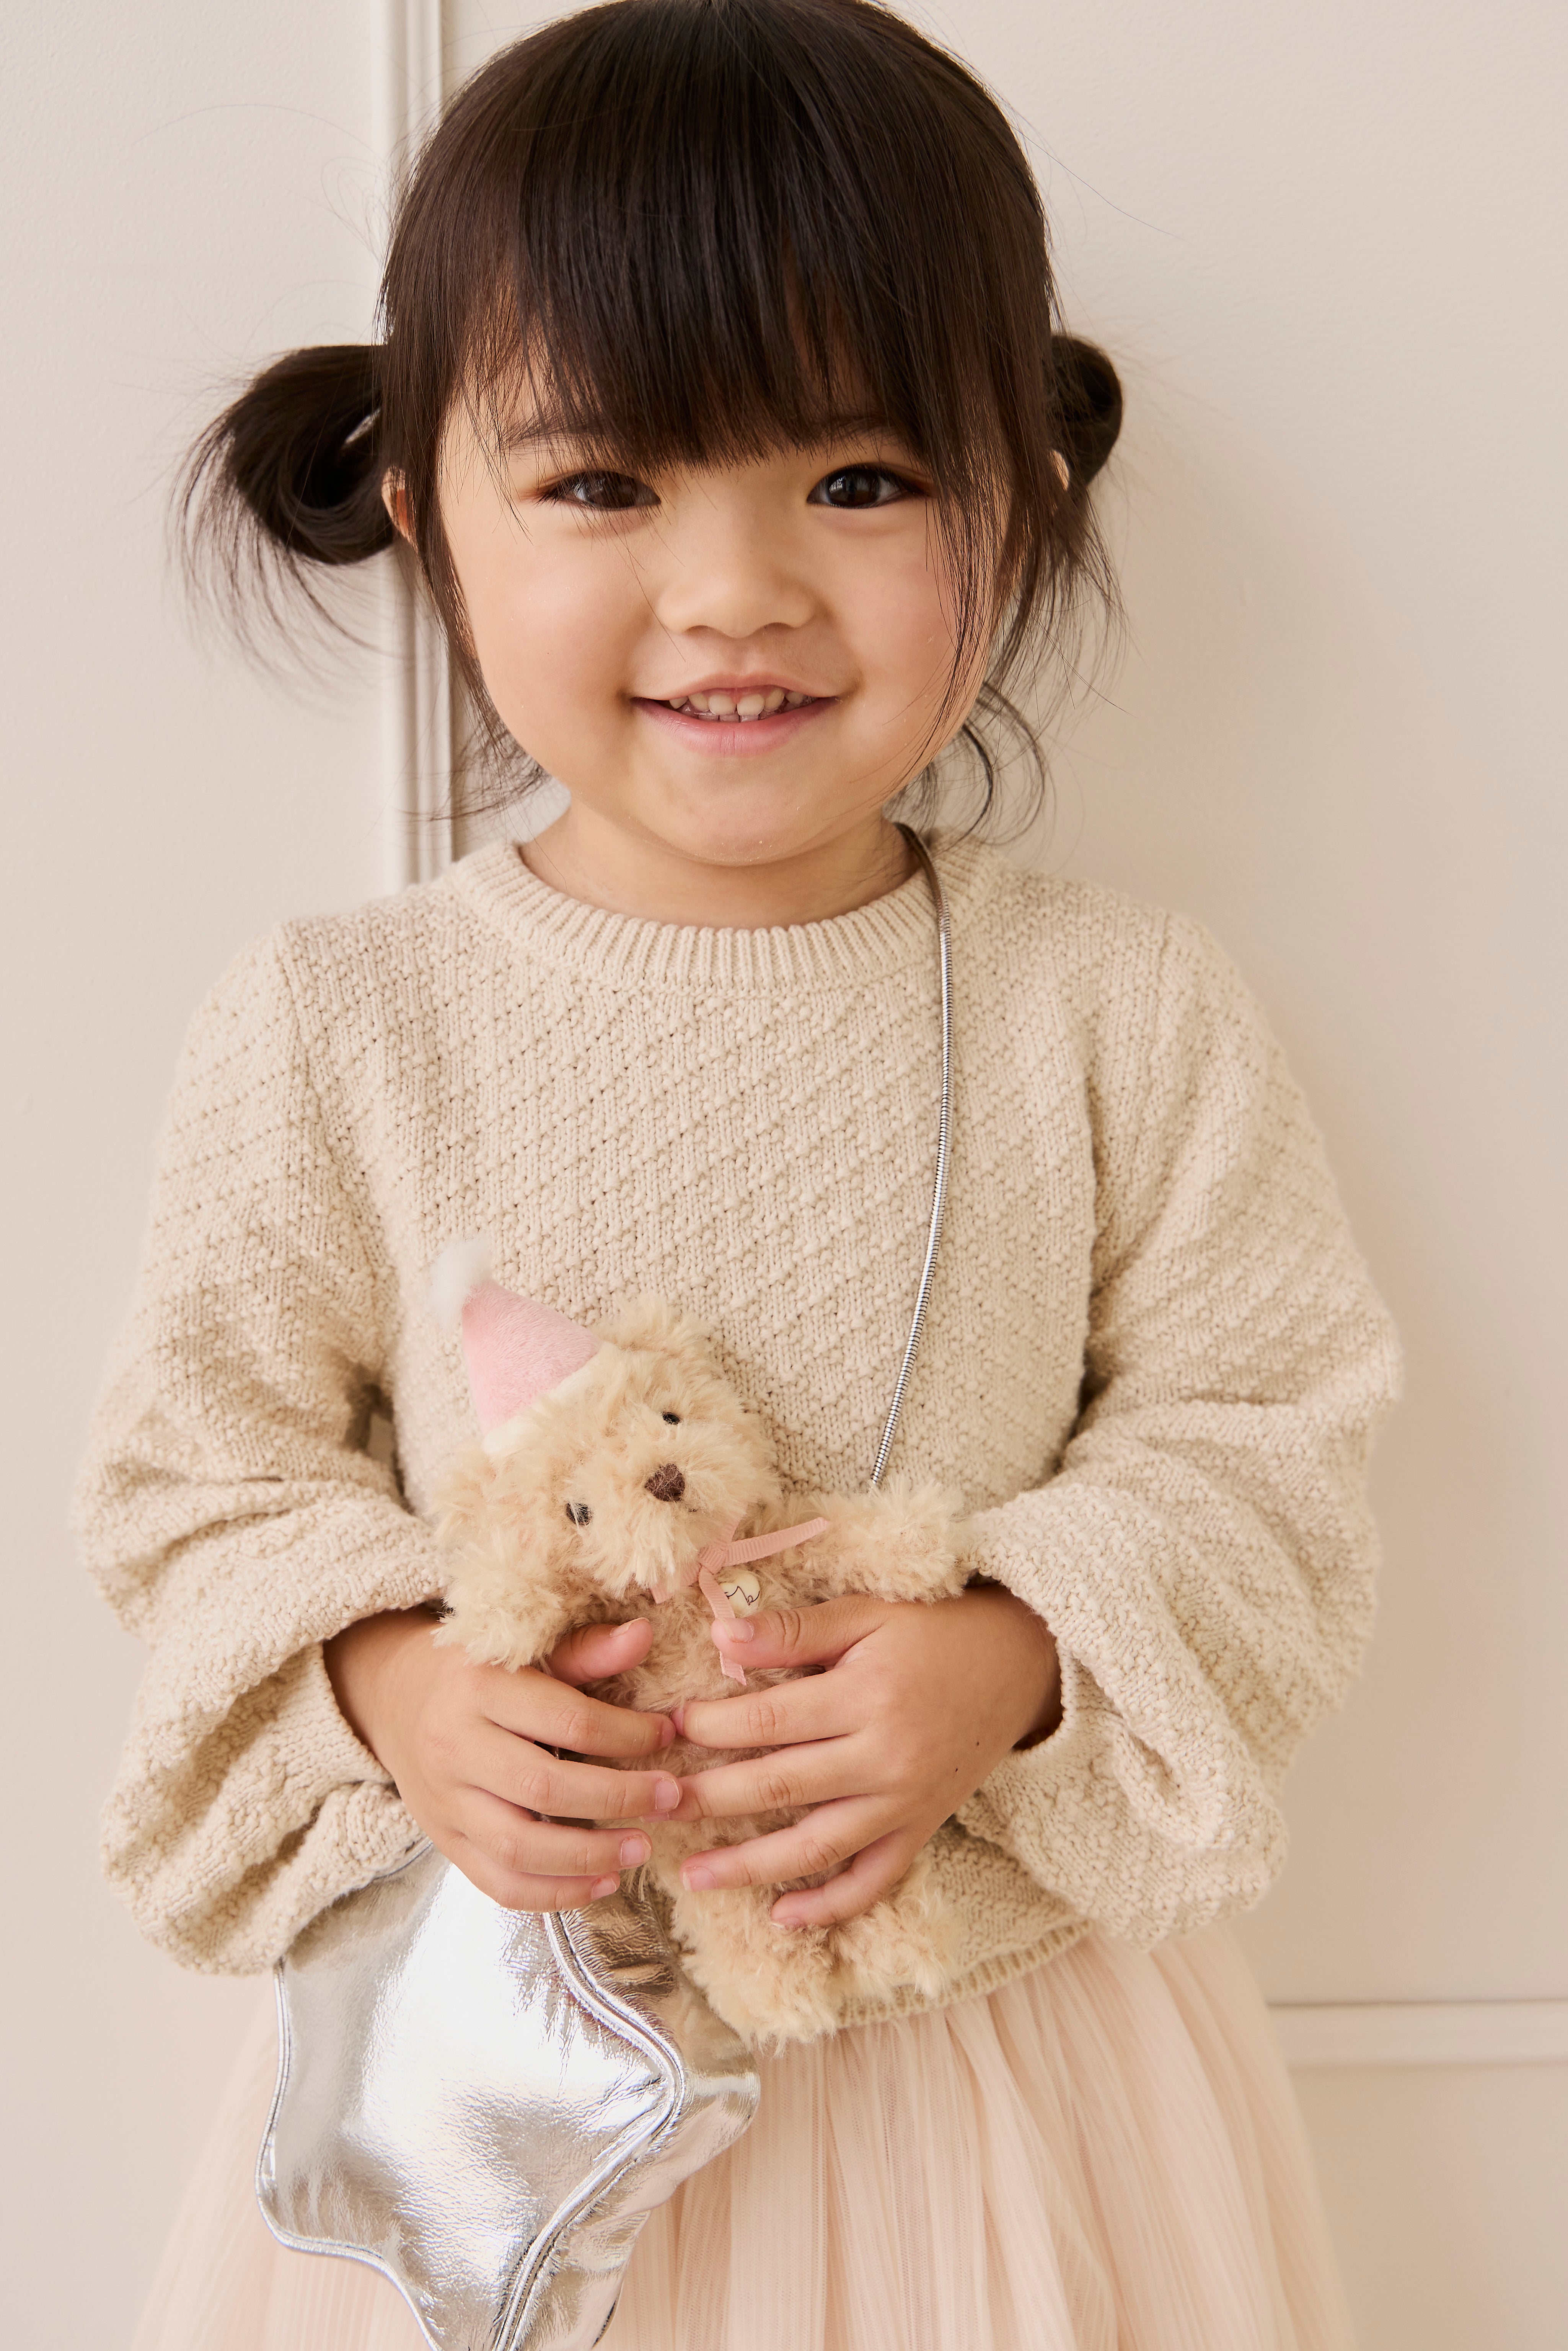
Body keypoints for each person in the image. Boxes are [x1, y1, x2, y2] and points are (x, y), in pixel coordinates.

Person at [74, 3, 1401, 2345]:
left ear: (1017, 495)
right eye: (604, 487)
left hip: (991, 2061)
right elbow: (193, 1480)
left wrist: (1008, 1659)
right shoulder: (336, 1022)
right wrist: (392, 1678)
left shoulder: (1117, 1006)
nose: (736, 590)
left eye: (861, 481)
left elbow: (1269, 1435)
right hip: (490, 2056)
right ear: (425, 519)